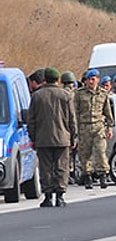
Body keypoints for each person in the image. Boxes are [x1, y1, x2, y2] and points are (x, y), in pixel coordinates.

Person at [26, 67, 77, 208]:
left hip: (43, 139)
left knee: (46, 168)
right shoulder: (66, 95)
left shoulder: (37, 96)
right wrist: (74, 137)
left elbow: (31, 121)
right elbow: (72, 119)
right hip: (63, 138)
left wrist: (33, 138)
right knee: (62, 167)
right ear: (58, 80)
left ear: (44, 80)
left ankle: (48, 196)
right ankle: (60, 196)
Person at [74, 68, 114, 189]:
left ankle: (103, 176)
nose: (90, 82)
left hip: (98, 127)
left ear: (97, 80)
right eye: (88, 80)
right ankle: (88, 176)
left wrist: (110, 127)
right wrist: (75, 130)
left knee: (101, 152)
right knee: (84, 154)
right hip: (84, 127)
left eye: (93, 79)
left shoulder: (103, 94)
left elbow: (107, 112)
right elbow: (75, 112)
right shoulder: (79, 94)